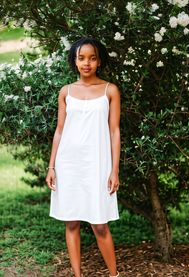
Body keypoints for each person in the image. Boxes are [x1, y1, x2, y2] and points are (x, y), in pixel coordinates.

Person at [46, 37, 121, 277]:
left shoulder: (110, 90)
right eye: (81, 58)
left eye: (92, 58)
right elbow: (59, 130)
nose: (86, 63)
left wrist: (114, 170)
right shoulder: (66, 92)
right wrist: (51, 167)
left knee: (100, 225)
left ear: (99, 61)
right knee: (71, 222)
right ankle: (77, 275)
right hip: (68, 164)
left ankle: (114, 274)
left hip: (98, 165)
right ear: (75, 62)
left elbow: (114, 131)